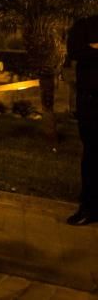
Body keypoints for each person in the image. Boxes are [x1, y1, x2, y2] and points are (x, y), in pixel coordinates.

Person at [67, 12, 98, 226]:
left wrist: (95, 49)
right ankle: (88, 207)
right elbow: (76, 51)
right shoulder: (85, 23)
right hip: (91, 103)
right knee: (92, 155)